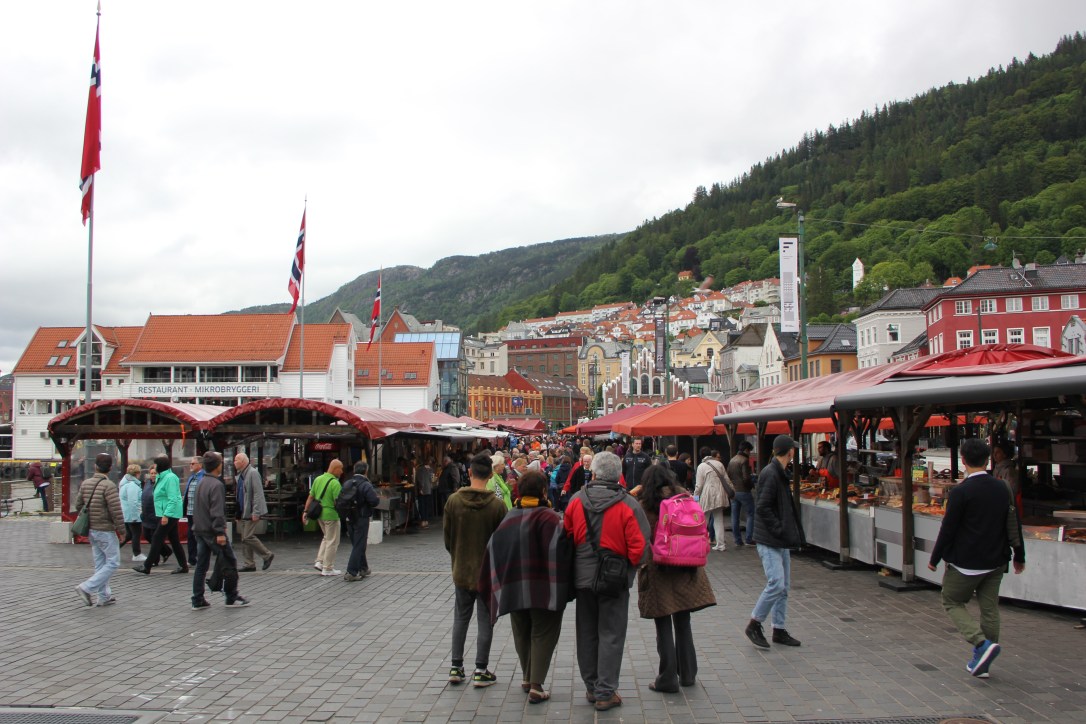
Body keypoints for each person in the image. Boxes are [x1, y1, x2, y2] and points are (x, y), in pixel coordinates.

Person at [929, 438, 1025, 678]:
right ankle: (983, 662)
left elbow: (948, 529)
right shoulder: (1002, 487)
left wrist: (935, 557)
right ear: (988, 460)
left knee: (951, 600)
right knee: (990, 609)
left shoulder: (961, 491)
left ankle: (981, 644)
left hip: (966, 562)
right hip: (996, 559)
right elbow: (1013, 521)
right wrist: (1019, 554)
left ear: (963, 460)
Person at [563, 451, 651, 712]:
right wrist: (628, 568)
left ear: (593, 473)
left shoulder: (577, 501)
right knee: (611, 633)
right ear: (619, 476)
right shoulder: (629, 505)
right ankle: (605, 691)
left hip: (582, 577)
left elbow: (567, 535)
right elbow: (639, 548)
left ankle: (592, 687)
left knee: (586, 633)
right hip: (615, 578)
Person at [478, 471, 572, 704]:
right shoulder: (551, 519)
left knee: (521, 631)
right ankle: (536, 686)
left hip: (514, 588)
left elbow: (493, 549)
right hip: (545, 589)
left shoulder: (509, 518)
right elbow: (564, 552)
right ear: (543, 491)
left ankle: (527, 677)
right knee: (543, 632)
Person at [637, 465, 716, 692]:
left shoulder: (646, 505)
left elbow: (640, 537)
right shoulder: (684, 498)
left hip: (659, 568)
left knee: (662, 622)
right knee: (683, 620)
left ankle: (668, 677)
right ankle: (688, 673)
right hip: (687, 564)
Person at [443, 452, 507, 688]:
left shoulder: (453, 502)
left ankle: (456, 667)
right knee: (485, 621)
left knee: (460, 618)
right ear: (490, 475)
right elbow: (502, 543)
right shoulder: (497, 506)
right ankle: (480, 670)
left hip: (462, 570)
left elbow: (448, 540)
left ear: (469, 473)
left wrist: (458, 555)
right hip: (488, 572)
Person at [745, 435, 805, 649]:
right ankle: (754, 623)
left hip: (780, 539)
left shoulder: (779, 472)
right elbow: (763, 506)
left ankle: (778, 628)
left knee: (784, 587)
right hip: (770, 539)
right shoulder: (771, 473)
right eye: (793, 449)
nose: (794, 452)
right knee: (776, 583)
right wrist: (779, 528)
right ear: (789, 451)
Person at [191, 451, 250, 609]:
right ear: (217, 465)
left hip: (200, 529)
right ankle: (231, 595)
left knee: (201, 565)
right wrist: (220, 532)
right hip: (212, 531)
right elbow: (217, 511)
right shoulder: (216, 485)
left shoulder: (201, 482)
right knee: (229, 561)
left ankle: (197, 598)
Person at [74, 453, 125, 607]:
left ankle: (103, 597)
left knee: (100, 564)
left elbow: (78, 505)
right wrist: (122, 531)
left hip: (92, 529)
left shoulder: (86, 483)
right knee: (113, 562)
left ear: (95, 466)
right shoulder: (109, 486)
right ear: (110, 468)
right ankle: (86, 587)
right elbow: (115, 510)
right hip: (105, 529)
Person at [134, 455, 187, 575]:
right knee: (174, 540)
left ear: (161, 466)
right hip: (165, 513)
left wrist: (166, 515)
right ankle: (183, 566)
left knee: (157, 538)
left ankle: (147, 566)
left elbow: (173, 498)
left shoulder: (170, 478)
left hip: (169, 514)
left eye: (156, 465)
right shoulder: (162, 477)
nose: (155, 467)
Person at [233, 453, 273, 572]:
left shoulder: (252, 473)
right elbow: (239, 495)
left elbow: (257, 493)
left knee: (247, 536)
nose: (234, 462)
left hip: (250, 511)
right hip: (243, 511)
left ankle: (267, 555)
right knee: (244, 538)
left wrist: (256, 512)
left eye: (236, 460)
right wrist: (238, 512)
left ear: (243, 462)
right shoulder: (241, 475)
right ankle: (249, 563)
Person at [303, 459, 344, 576]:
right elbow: (338, 502)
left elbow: (311, 497)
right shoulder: (335, 483)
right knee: (332, 541)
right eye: (340, 469)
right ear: (335, 469)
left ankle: (320, 562)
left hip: (319, 514)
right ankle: (328, 568)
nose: (341, 472)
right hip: (331, 515)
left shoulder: (318, 479)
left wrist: (305, 511)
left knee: (326, 538)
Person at [343, 461, 380, 582]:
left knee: (357, 544)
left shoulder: (347, 483)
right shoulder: (365, 484)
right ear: (366, 471)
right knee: (359, 544)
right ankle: (351, 572)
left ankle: (363, 568)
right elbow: (374, 501)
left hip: (349, 517)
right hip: (361, 517)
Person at [694, 447, 732, 552]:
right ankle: (721, 545)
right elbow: (727, 480)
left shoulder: (701, 466)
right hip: (720, 495)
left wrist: (696, 498)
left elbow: (699, 485)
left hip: (707, 495)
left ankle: (700, 544)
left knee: (703, 521)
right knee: (718, 520)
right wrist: (732, 492)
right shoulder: (719, 464)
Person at [140, 465, 171, 567]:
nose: (153, 475)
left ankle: (154, 560)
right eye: (151, 473)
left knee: (155, 538)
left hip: (156, 514)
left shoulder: (161, 483)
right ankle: (166, 551)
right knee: (146, 535)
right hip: (146, 515)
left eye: (155, 473)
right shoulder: (147, 483)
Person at [728, 441, 756, 547]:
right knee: (750, 514)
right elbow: (746, 478)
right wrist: (751, 485)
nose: (750, 453)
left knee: (734, 516)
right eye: (749, 451)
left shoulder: (732, 460)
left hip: (734, 492)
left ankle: (737, 540)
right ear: (746, 450)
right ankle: (749, 539)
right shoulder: (744, 460)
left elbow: (728, 475)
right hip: (743, 491)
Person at [118, 463, 146, 562]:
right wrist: (135, 516)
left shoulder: (124, 483)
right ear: (137, 473)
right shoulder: (132, 485)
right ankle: (137, 554)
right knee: (136, 534)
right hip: (133, 515)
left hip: (126, 514)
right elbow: (133, 502)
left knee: (129, 535)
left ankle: (113, 551)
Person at [182, 456, 204, 567]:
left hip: (199, 513)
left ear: (200, 465)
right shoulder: (192, 477)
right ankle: (192, 559)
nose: (190, 465)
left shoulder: (203, 477)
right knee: (190, 536)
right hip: (190, 512)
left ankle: (201, 557)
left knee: (200, 536)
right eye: (190, 463)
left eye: (193, 463)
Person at [991, 440, 1022, 512]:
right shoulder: (996, 468)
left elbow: (1012, 491)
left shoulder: (1009, 471)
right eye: (994, 452)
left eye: (998, 452)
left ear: (1004, 454)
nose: (994, 455)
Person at [414, 458, 435, 528]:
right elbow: (432, 479)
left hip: (423, 490)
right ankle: (426, 521)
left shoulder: (420, 469)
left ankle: (423, 521)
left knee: (422, 505)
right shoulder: (431, 469)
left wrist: (420, 488)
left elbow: (421, 479)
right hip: (429, 489)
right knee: (427, 505)